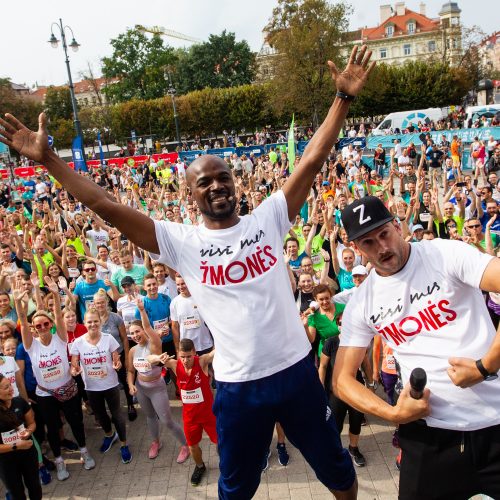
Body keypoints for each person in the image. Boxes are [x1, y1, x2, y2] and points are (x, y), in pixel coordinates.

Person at [0, 44, 375, 499]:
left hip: (296, 373)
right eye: (205, 182)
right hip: (238, 386)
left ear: (235, 184)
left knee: (337, 471)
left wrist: (343, 99)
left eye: (224, 178)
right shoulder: (181, 242)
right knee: (236, 488)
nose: (217, 186)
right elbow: (106, 205)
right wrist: (50, 161)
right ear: (190, 194)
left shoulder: (270, 218)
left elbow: (311, 159)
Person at [334, 195, 500, 500]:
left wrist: (485, 365)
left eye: (384, 234)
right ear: (356, 248)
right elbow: (342, 380)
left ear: (398, 226)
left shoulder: (444, 253)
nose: (381, 248)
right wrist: (393, 412)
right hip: (428, 436)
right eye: (369, 243)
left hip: (495, 423)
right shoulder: (362, 301)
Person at [13, 276, 94, 481]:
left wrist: (56, 295)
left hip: (67, 388)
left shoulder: (60, 338)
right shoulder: (31, 346)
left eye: (44, 324)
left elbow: (58, 314)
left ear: (50, 325)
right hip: (45, 393)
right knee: (52, 428)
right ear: (34, 328)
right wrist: (18, 303)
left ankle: (84, 451)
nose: (41, 328)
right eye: (37, 325)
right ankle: (59, 461)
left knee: (76, 422)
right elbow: (22, 323)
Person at [127, 297, 189, 462]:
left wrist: (141, 310)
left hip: (156, 388)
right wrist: (130, 385)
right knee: (150, 417)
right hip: (141, 388)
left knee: (167, 420)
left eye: (137, 331)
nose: (135, 335)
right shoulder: (132, 351)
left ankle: (185, 445)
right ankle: (156, 442)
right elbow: (130, 371)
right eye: (132, 333)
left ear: (144, 331)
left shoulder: (154, 342)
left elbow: (152, 355)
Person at [70, 309, 132, 464]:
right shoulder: (78, 342)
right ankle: (109, 435)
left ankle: (124, 444)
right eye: (89, 322)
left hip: (110, 384)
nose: (93, 324)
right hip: (91, 387)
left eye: (95, 321)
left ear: (101, 322)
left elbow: (115, 359)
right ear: (84, 323)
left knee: (117, 415)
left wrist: (117, 365)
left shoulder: (108, 338)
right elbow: (74, 363)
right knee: (100, 415)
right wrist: (74, 369)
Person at [153, 338, 217, 486]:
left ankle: (226, 465)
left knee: (220, 443)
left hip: (209, 414)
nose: (186, 360)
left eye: (188, 356)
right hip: (190, 417)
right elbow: (149, 359)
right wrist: (158, 357)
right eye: (182, 357)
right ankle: (200, 467)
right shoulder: (175, 365)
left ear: (194, 352)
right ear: (178, 354)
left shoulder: (202, 361)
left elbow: (217, 352)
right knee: (192, 446)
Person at [0, 374, 42, 500]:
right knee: (16, 493)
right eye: (6, 387)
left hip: (28, 454)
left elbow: (32, 423)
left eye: (10, 385)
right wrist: (16, 446)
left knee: (35, 487)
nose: (11, 389)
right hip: (6, 461)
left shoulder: (19, 401)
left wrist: (29, 432)